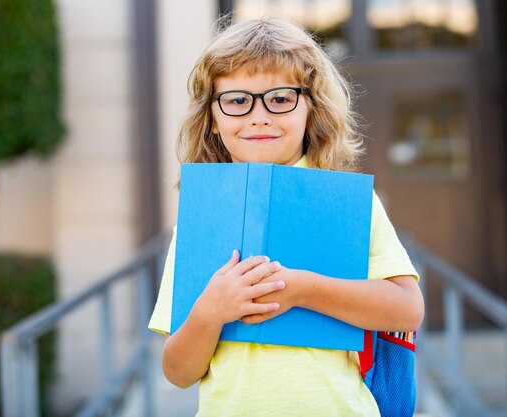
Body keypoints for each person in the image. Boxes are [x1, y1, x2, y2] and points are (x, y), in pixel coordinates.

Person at [148, 16, 424, 417]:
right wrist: (210, 311)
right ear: (212, 117)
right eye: (238, 100)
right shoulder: (201, 216)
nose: (259, 116)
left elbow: (406, 309)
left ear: (310, 108)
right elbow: (178, 372)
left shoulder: (345, 202)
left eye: (280, 99)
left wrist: (300, 289)